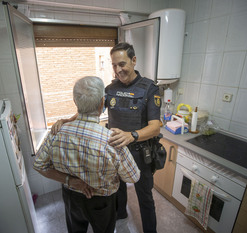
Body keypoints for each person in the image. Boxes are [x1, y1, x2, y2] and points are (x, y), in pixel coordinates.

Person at [33, 76, 140, 233]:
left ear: (75, 102)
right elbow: (133, 177)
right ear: (102, 103)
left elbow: (39, 165)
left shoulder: (57, 132)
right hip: (102, 201)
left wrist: (70, 180)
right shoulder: (112, 140)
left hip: (71, 196)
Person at [105, 42, 161, 233]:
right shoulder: (110, 89)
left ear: (134, 60)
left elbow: (155, 127)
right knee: (118, 191)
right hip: (115, 151)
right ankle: (121, 219)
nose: (118, 70)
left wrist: (132, 136)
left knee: (145, 197)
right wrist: (68, 120)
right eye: (114, 65)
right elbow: (90, 108)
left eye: (122, 64)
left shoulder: (149, 88)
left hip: (140, 153)